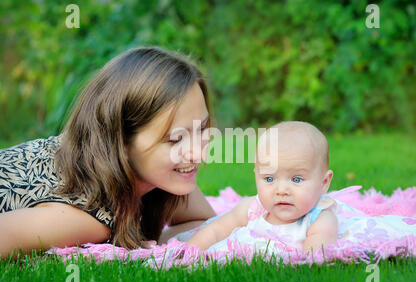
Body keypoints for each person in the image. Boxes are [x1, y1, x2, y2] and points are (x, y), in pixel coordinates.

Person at [0, 46, 216, 258]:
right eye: (175, 139)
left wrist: (151, 242)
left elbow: (203, 222)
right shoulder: (86, 219)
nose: (199, 155)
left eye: (202, 128)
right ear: (121, 141)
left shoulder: (162, 175)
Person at [186, 121, 338, 253]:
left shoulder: (320, 219)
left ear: (323, 183)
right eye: (269, 178)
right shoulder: (253, 208)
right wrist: (190, 250)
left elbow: (317, 256)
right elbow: (216, 230)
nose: (281, 191)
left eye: (296, 179)